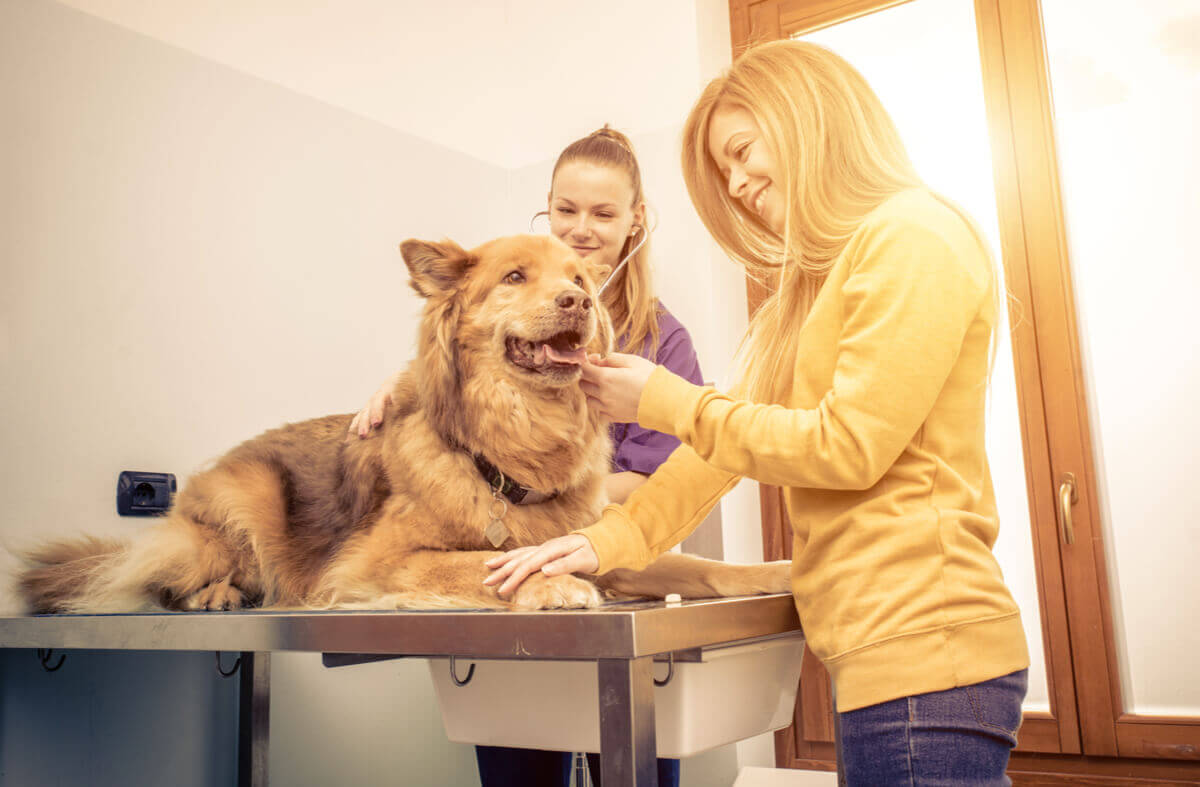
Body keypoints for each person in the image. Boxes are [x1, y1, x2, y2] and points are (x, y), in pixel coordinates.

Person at [484, 40, 1031, 786]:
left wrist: (661, 400)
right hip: (879, 651)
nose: (736, 184)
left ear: (806, 120)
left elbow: (849, 446)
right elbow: (719, 453)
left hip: (927, 644)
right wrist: (605, 543)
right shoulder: (821, 280)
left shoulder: (913, 234)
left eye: (741, 153)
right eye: (725, 170)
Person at [349, 126, 695, 787]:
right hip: (514, 590)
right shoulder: (498, 301)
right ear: (548, 206)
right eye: (567, 210)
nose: (581, 229)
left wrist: (565, 502)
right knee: (521, 767)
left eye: (602, 213)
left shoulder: (662, 338)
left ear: (636, 220)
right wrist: (403, 388)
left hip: (614, 580)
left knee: (637, 769)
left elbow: (668, 484)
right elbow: (453, 366)